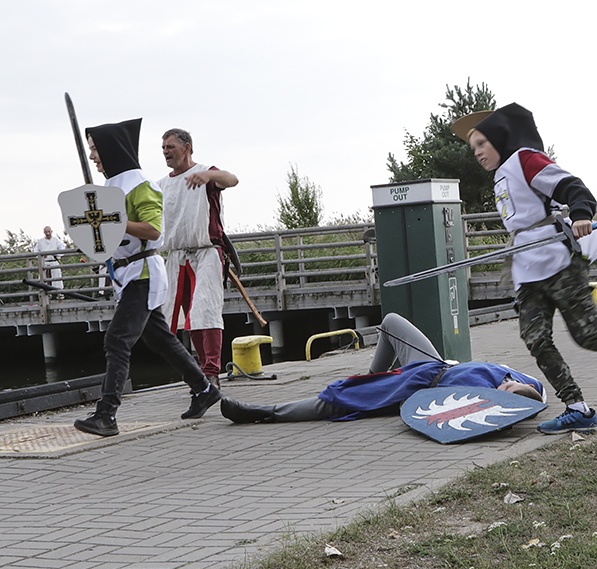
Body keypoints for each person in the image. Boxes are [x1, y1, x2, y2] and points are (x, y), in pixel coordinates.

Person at [450, 102, 597, 435]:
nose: (477, 152)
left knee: (588, 336)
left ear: (498, 138)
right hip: (527, 269)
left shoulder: (525, 159)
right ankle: (577, 408)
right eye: (473, 148)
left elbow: (572, 186)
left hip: (559, 262)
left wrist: (581, 213)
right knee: (535, 339)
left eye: (482, 143)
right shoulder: (499, 178)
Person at [73, 118, 227, 437]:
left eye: (95, 149)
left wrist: (110, 220)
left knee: (117, 339)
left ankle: (106, 414)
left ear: (112, 150)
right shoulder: (112, 188)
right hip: (127, 273)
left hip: (144, 274)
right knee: (159, 338)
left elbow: (154, 230)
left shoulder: (140, 185)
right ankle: (203, 389)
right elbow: (112, 235)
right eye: (89, 150)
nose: (92, 157)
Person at [220, 312, 545, 423]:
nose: (503, 389)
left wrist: (514, 397)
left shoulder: (496, 404)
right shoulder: (525, 383)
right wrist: (520, 389)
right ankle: (371, 376)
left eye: (506, 392)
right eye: (508, 387)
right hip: (434, 365)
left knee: (338, 399)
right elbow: (534, 395)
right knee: (390, 322)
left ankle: (265, 411)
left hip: (423, 389)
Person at [158, 129, 239, 389]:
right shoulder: (161, 185)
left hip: (206, 252)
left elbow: (233, 179)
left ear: (187, 147)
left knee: (206, 310)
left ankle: (212, 371)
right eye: (163, 148)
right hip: (177, 255)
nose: (166, 151)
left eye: (170, 146)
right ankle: (202, 372)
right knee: (186, 317)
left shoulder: (206, 173)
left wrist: (209, 176)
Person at [33, 226, 66, 291]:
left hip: (54, 261)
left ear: (51, 231)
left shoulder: (56, 240)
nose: (47, 233)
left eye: (49, 232)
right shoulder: (40, 241)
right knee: (44, 279)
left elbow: (62, 249)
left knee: (57, 280)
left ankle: (59, 294)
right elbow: (35, 251)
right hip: (44, 262)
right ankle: (46, 294)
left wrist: (56, 254)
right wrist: (41, 255)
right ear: (44, 232)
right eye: (46, 232)